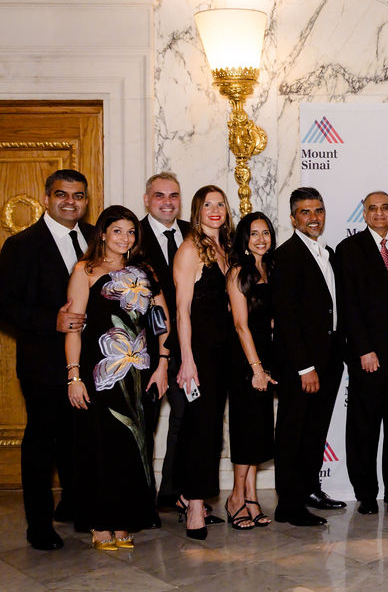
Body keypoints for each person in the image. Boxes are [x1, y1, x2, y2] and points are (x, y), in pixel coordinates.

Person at [0, 169, 94, 550]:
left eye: (78, 195)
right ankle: (38, 525)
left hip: (89, 362)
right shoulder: (23, 244)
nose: (71, 202)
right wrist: (53, 320)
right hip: (42, 362)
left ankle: (75, 504)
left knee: (78, 438)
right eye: (62, 194)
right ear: (47, 197)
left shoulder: (97, 237)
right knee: (42, 442)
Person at [63, 205, 170, 549]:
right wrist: (74, 376)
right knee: (99, 446)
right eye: (118, 231)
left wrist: (163, 365)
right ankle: (99, 523)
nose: (125, 238)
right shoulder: (86, 270)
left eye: (131, 232)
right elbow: (73, 327)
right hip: (101, 372)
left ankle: (125, 518)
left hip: (138, 374)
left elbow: (163, 323)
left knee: (131, 448)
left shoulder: (145, 271)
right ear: (103, 235)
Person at [270, 188, 344, 527]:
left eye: (318, 210)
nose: (313, 217)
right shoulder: (287, 255)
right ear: (293, 218)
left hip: (329, 360)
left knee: (315, 430)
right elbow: (286, 317)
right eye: (305, 212)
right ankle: (289, 504)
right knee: (293, 431)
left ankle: (309, 489)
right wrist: (305, 367)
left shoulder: (326, 252)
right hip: (303, 365)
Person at [335, 191, 388, 516]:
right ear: (364, 214)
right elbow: (348, 305)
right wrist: (363, 349)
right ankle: (365, 493)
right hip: (368, 357)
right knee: (363, 428)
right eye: (372, 209)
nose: (379, 213)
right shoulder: (349, 249)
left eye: (384, 208)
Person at [172, 185, 234, 539]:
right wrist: (187, 360)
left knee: (211, 430)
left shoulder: (225, 248)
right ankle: (194, 504)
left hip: (225, 350)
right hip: (200, 353)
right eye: (208, 205)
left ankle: (190, 494)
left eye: (220, 204)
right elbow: (182, 311)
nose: (215, 210)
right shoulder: (190, 248)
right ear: (197, 211)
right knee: (201, 426)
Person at [136, 172, 193, 513]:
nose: (167, 202)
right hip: (145, 350)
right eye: (159, 196)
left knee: (186, 423)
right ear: (147, 199)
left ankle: (172, 494)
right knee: (144, 424)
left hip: (187, 349)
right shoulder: (132, 234)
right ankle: (142, 500)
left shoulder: (194, 234)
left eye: (173, 195)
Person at [225, 212, 277, 530]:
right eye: (254, 233)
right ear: (244, 239)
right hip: (245, 360)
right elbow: (241, 325)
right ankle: (235, 497)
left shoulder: (269, 268)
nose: (260, 238)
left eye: (266, 233)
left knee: (259, 429)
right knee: (246, 430)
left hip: (265, 358)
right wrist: (256, 368)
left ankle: (252, 496)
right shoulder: (238, 273)